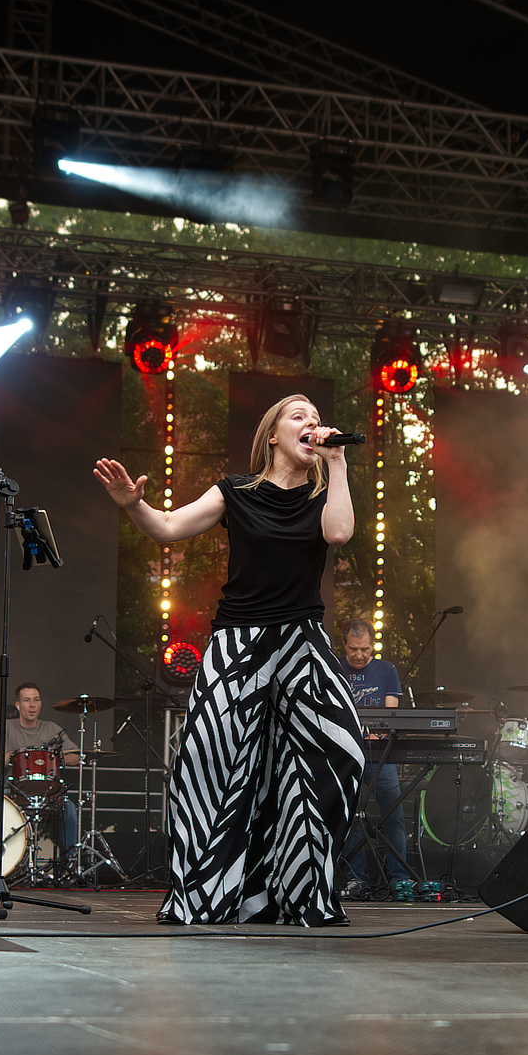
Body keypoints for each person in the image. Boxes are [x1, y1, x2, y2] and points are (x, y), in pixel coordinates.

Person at [94, 393, 361, 925]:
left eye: (316, 418)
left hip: (302, 641)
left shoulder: (324, 494)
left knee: (339, 752)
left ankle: (301, 893)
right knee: (207, 762)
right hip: (239, 641)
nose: (312, 424)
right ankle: (206, 894)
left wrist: (337, 461)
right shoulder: (235, 491)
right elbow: (168, 526)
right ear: (273, 435)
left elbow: (338, 533)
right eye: (299, 417)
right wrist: (132, 505)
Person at [338, 620, 414, 894]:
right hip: (347, 754)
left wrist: (378, 733)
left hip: (381, 756)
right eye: (353, 649)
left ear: (372, 646)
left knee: (393, 816)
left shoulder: (387, 670)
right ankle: (357, 878)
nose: (359, 655)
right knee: (350, 817)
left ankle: (398, 879)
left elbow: (390, 714)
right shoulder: (334, 668)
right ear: (344, 645)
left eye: (365, 649)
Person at [0, 682, 82, 859]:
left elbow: (76, 757)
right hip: (14, 792)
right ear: (18, 705)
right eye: (27, 700)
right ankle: (4, 860)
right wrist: (21, 756)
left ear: (40, 703)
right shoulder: (6, 727)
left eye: (36, 700)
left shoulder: (51, 728)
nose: (32, 705)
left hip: (48, 793)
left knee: (69, 809)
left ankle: (70, 860)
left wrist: (54, 756)